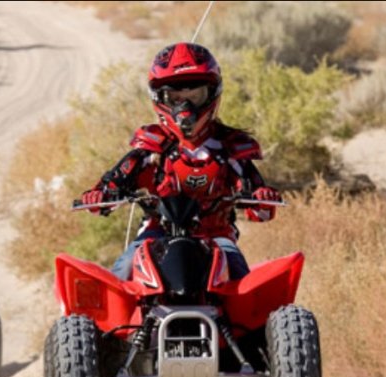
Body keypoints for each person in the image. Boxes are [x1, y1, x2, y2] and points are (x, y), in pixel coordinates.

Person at [79, 42, 280, 281]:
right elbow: (110, 187)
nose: (185, 109)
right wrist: (99, 196)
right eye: (175, 98)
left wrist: (263, 199)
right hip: (155, 235)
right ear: (159, 97)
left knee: (243, 287)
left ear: (212, 93)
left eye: (194, 97)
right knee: (121, 276)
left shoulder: (231, 147)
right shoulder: (150, 147)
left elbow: (262, 213)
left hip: (217, 237)